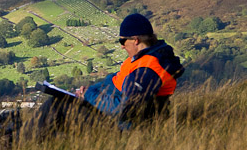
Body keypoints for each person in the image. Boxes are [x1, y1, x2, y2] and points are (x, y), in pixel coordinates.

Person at [24, 13, 184, 138]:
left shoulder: (146, 70)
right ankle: (20, 139)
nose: (122, 47)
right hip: (113, 117)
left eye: (122, 42)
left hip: (121, 127)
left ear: (135, 40)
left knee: (55, 106)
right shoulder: (146, 59)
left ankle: (18, 145)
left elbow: (123, 110)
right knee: (57, 106)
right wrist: (87, 94)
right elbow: (117, 84)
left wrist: (90, 94)